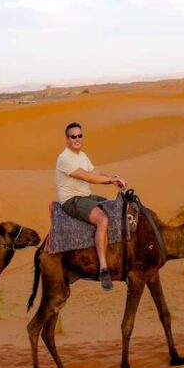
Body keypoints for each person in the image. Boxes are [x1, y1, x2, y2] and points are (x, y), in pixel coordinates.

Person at [56, 122, 127, 290]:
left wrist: (113, 177)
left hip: (86, 197)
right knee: (102, 220)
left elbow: (94, 173)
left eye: (79, 135)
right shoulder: (64, 158)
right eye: (73, 136)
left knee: (114, 206)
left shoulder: (82, 155)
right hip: (72, 200)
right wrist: (110, 181)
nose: (77, 139)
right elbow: (87, 177)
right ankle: (103, 268)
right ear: (67, 139)